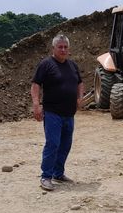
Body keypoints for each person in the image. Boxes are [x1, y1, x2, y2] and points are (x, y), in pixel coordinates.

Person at [31, 34, 84, 191]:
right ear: (53, 48)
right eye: (60, 47)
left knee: (65, 145)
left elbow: (80, 83)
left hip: (69, 114)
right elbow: (35, 85)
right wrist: (36, 105)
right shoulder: (46, 65)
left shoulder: (72, 65)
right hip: (52, 113)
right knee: (53, 144)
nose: (63, 50)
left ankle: (58, 173)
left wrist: (80, 98)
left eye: (65, 47)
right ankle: (46, 176)